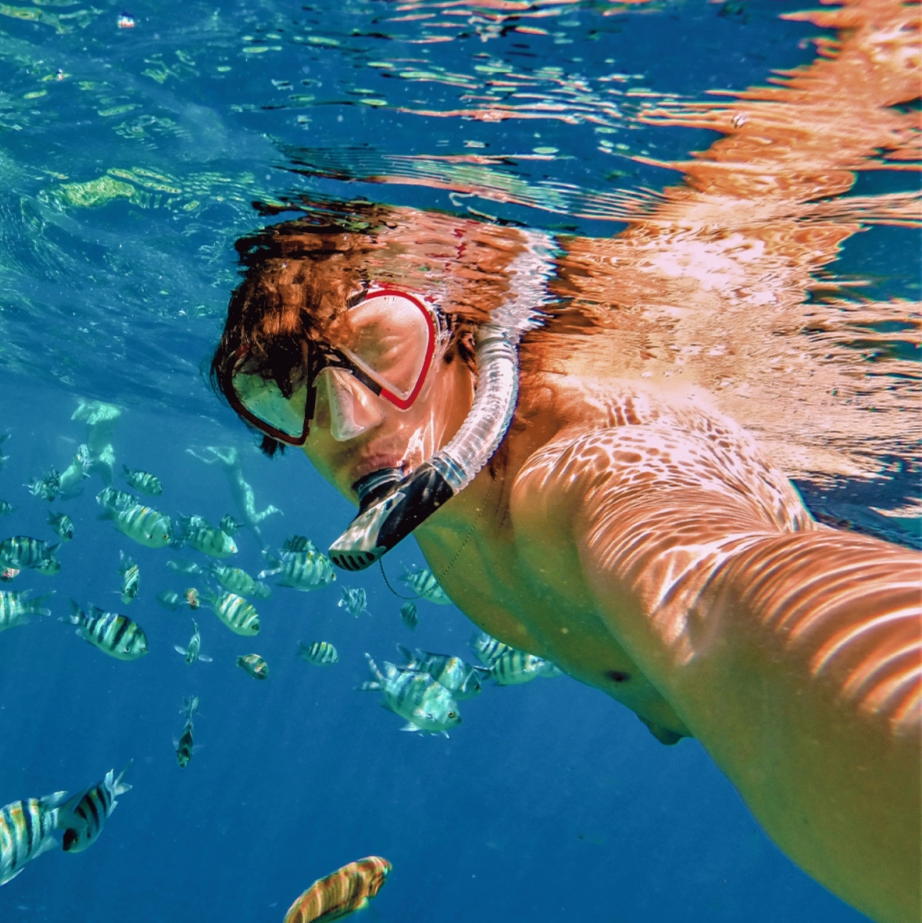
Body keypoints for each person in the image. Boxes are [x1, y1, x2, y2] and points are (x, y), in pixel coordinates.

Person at [210, 206, 919, 923]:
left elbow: (718, 589)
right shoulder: (427, 462)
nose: (349, 421)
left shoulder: (584, 468)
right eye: (286, 384)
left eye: (380, 342)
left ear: (461, 328)